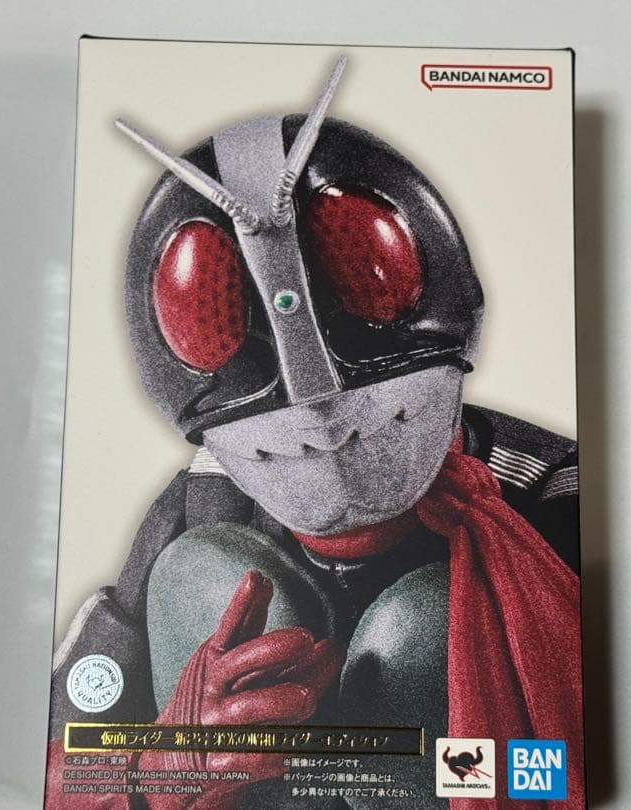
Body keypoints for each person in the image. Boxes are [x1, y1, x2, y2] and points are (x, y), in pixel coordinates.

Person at [46, 56, 584, 809]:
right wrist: (161, 772)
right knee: (205, 572)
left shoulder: (548, 488)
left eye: (367, 271)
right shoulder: (202, 503)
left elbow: (593, 745)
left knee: (427, 628)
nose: (320, 414)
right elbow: (59, 752)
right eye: (210, 317)